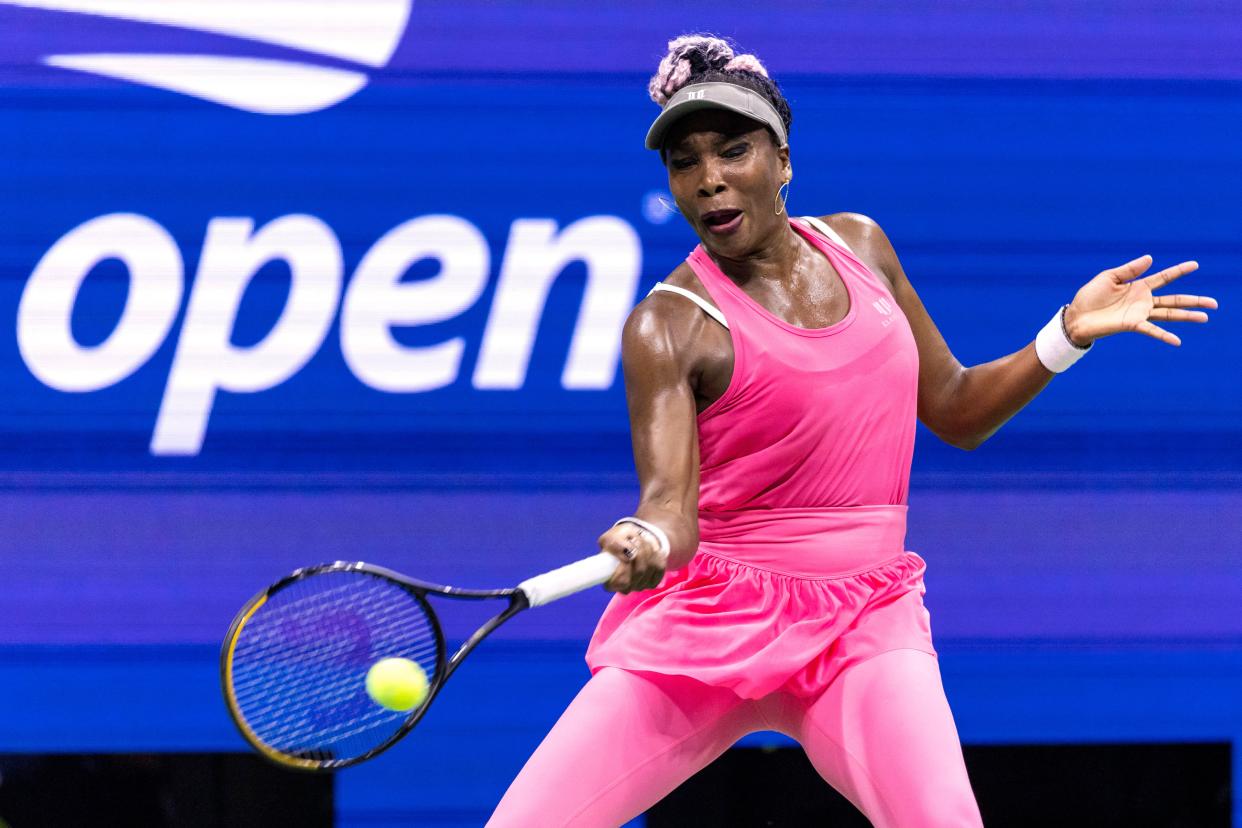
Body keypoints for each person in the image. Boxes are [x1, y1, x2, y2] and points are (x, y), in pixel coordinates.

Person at [487, 35, 1216, 827]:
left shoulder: (861, 247)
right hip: (709, 628)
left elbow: (959, 410)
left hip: (864, 624)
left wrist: (1065, 335)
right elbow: (672, 512)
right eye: (685, 162)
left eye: (734, 150)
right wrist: (643, 539)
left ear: (784, 158)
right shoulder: (667, 325)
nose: (710, 180)